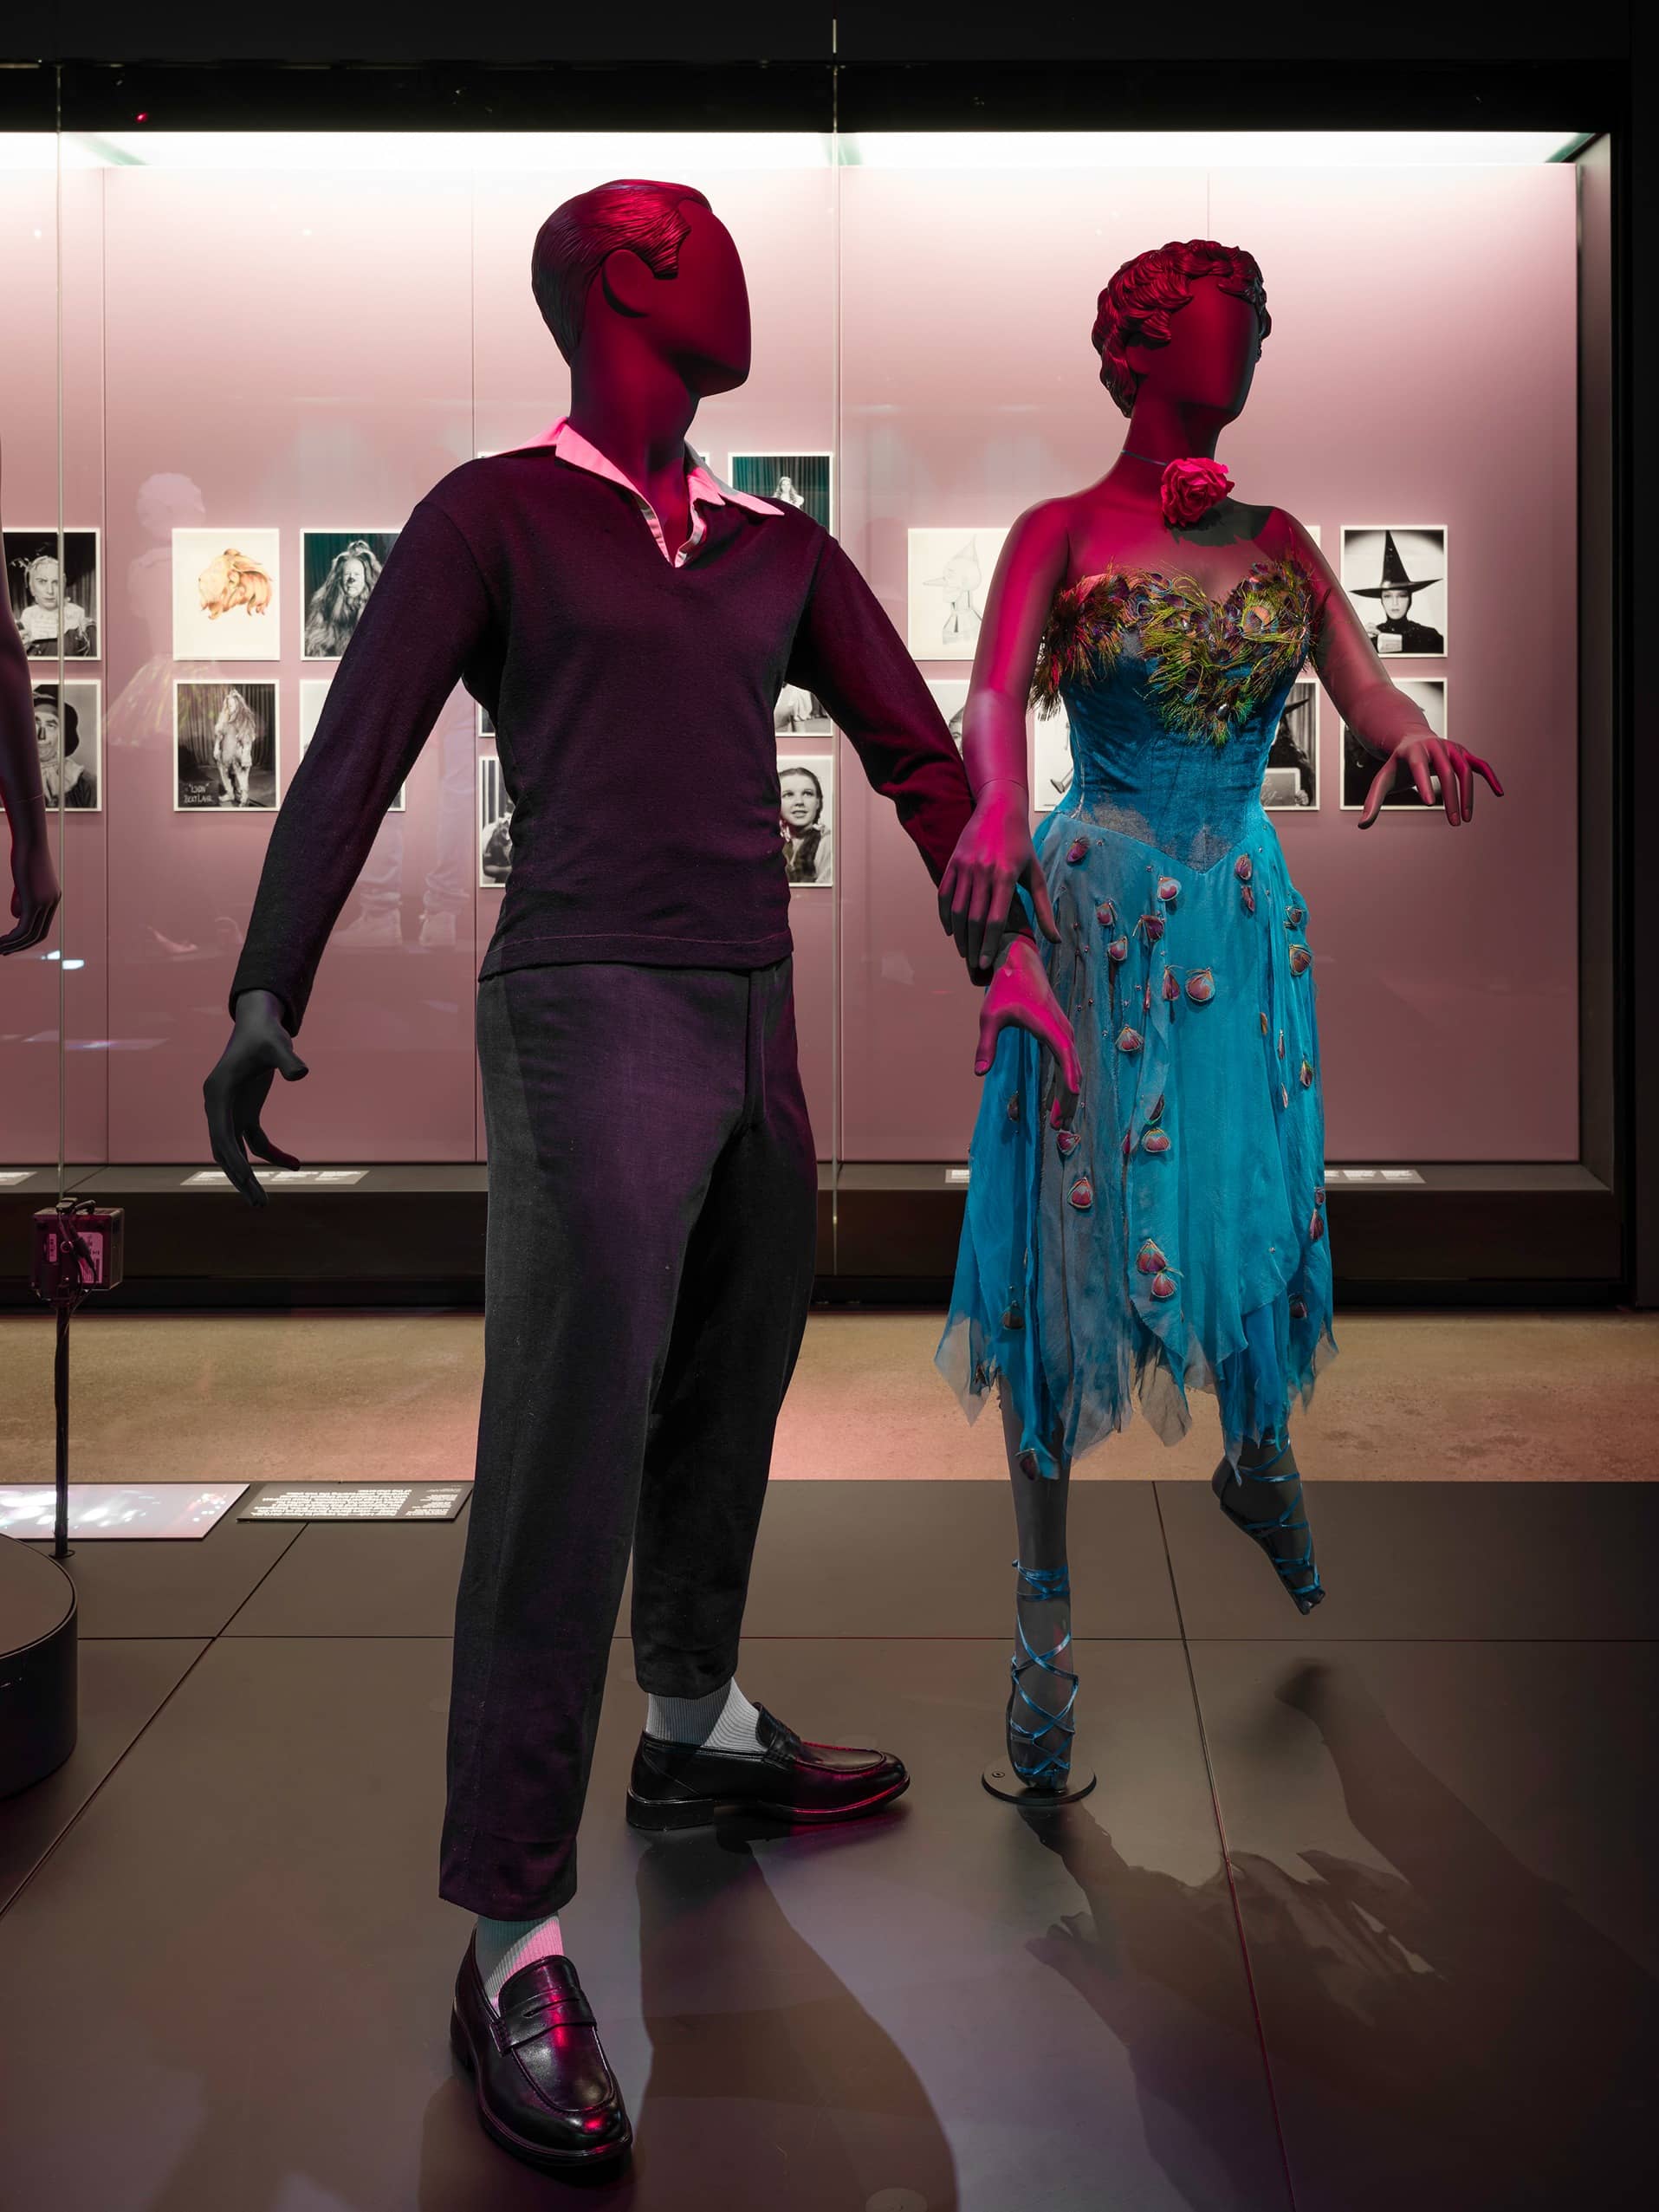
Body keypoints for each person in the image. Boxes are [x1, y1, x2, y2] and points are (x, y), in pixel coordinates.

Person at [202, 179, 1078, 2176]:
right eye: (695, 234)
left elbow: (913, 753)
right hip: (585, 1001)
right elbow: (353, 751)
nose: (734, 258)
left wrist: (1007, 950)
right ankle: (508, 1927)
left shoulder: (773, 542)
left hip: (753, 1007)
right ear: (619, 281)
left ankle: (686, 1723)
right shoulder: (493, 516)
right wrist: (266, 981)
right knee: (565, 1432)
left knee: (734, 1369)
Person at [934, 238, 1502, 1797]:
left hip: (1239, 916)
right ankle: (1041, 1619)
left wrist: (1408, 732)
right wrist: (993, 808)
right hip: (1099, 908)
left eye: (1255, 323)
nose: (1244, 343)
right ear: (1135, 343)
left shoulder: (1280, 539)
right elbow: (987, 696)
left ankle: (1255, 1452)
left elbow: (1360, 684)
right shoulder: (1058, 528)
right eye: (1217, 319)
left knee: (1253, 1188)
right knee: (1062, 1240)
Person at [1351, 529, 1444, 653]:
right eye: (1388, 596)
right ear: (1381, 600)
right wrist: (1357, 641)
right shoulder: (1370, 636)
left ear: (1410, 599)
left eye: (1401, 596)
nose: (1395, 603)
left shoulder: (1430, 637)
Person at [304, 537, 385, 657]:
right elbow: (314, 647)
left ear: (366, 578)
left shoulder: (380, 606)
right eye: (347, 574)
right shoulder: (324, 605)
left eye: (357, 574)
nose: (351, 579)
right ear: (340, 578)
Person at [12, 546, 94, 657]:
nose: (50, 591)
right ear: (32, 589)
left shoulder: (80, 619)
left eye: (56, 582)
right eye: (42, 582)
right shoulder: (24, 620)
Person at [32, 687, 96, 808]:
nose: (41, 736)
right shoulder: (7, 780)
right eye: (35, 724)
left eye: (51, 726)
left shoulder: (86, 783)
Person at [779, 761, 832, 884]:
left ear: (817, 802)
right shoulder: (776, 843)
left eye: (808, 794)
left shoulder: (828, 843)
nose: (799, 802)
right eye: (789, 794)